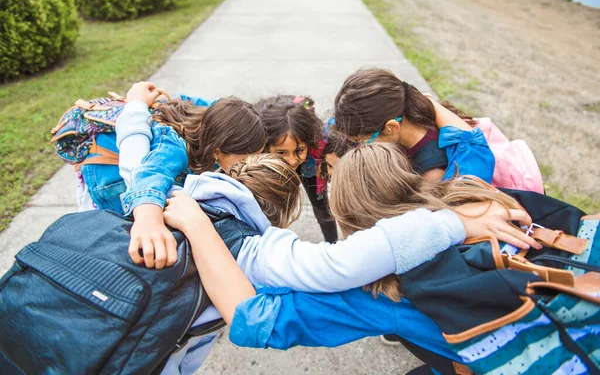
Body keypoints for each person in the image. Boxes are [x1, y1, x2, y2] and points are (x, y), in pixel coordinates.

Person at [158, 143, 537, 371]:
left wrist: (198, 226)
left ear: (353, 223)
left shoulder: (378, 289)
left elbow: (252, 323)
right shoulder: (480, 203)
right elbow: (471, 142)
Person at [110, 82, 267, 268]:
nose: (251, 164)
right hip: (108, 181)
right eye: (245, 159)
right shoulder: (174, 147)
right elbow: (149, 175)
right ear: (217, 150)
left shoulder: (217, 119)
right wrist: (148, 220)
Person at [334, 68, 494, 182]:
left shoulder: (432, 174)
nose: (360, 148)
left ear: (391, 127)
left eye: (362, 141)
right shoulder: (421, 114)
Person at [253, 95, 337, 242]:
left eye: (299, 150)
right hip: (275, 169)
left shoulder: (319, 148)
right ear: (266, 146)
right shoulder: (258, 156)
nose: (292, 161)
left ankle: (332, 243)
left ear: (310, 142)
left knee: (322, 210)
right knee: (272, 211)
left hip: (309, 169)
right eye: (281, 152)